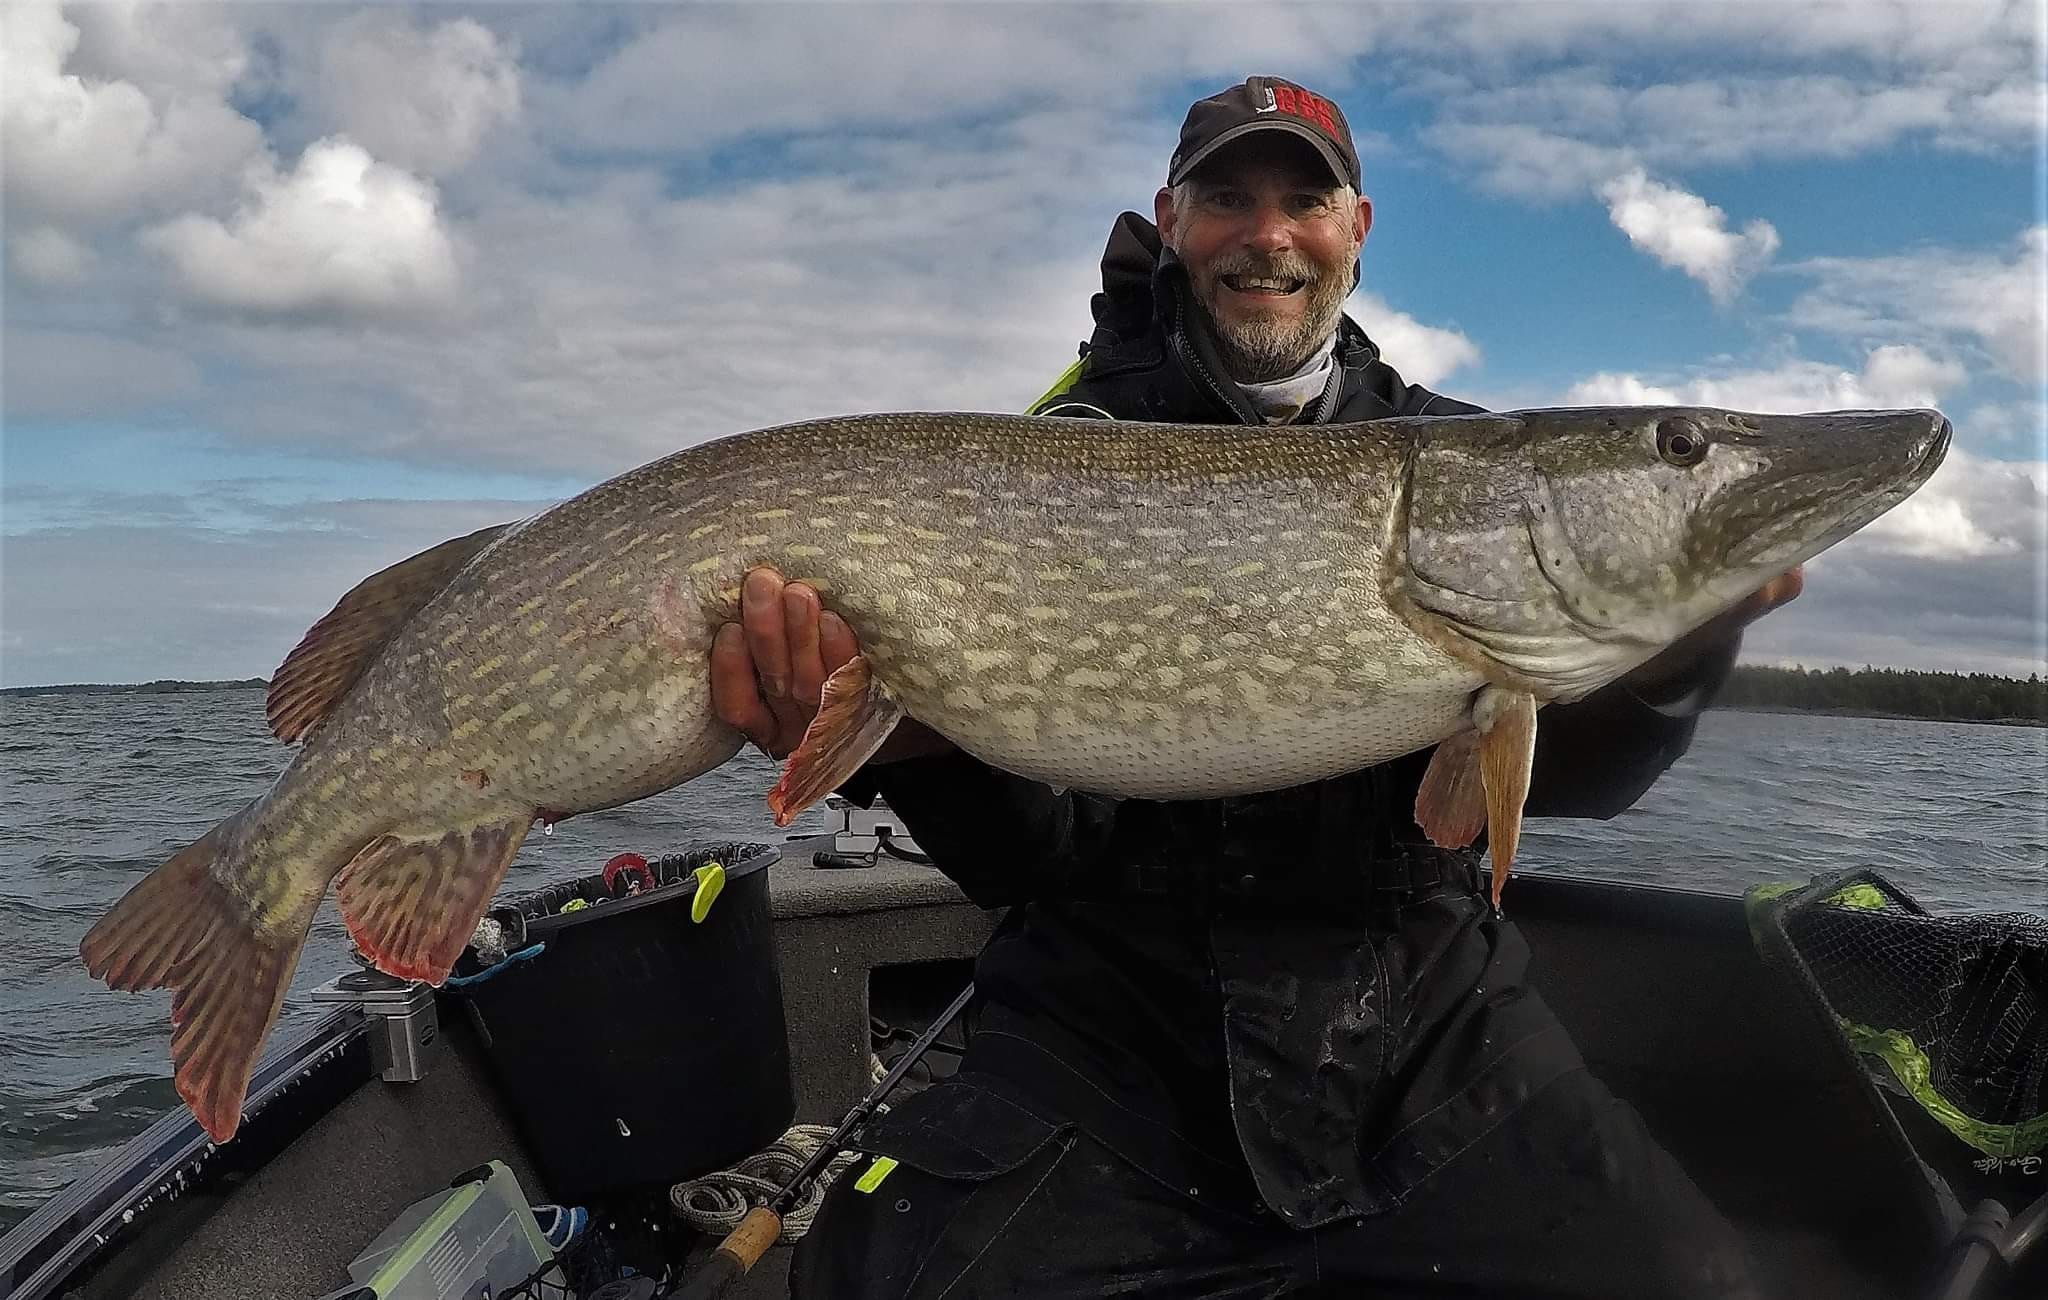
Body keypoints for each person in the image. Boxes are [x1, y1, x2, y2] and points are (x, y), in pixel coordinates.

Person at [712, 76, 1798, 1299]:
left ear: (1357, 228)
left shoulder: (1458, 456)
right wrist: (909, 746)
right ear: (1172, 220)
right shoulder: (1063, 450)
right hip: (1108, 1043)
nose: (1266, 233)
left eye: (1304, 199)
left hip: (1424, 1035)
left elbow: (1579, 783)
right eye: (1228, 198)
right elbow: (1033, 855)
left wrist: (1678, 644)